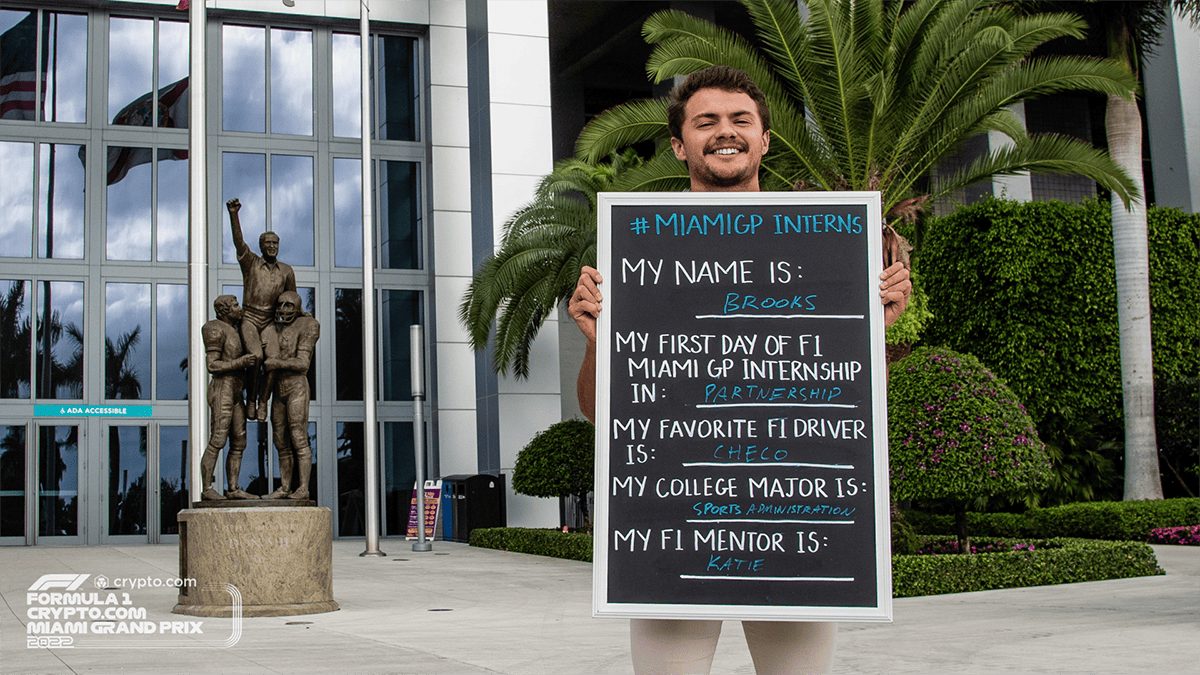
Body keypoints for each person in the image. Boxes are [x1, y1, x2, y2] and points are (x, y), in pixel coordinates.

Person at [567, 66, 912, 675]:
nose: (724, 133)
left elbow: (848, 407)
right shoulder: (640, 251)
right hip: (672, 534)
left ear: (765, 139)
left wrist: (868, 333)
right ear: (679, 145)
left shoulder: (824, 252)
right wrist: (599, 343)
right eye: (706, 122)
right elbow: (601, 413)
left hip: (791, 533)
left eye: (740, 121)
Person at [227, 197, 297, 421]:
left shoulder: (286, 271)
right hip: (250, 317)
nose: (271, 246)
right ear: (261, 247)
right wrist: (234, 215)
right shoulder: (251, 263)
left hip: (270, 322)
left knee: (273, 360)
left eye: (275, 243)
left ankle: (264, 400)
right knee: (255, 356)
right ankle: (251, 399)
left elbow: (292, 298)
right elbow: (239, 242)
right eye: (267, 243)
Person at [199, 295, 259, 501]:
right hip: (222, 386)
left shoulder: (237, 328)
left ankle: (233, 488)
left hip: (236, 389)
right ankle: (207, 488)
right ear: (223, 310)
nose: (238, 308)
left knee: (239, 441)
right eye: (234, 305)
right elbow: (212, 365)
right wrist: (239, 362)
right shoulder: (213, 328)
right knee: (217, 439)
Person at [261, 291, 320, 500]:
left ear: (297, 308)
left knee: (298, 437)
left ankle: (303, 487)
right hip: (278, 388)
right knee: (279, 440)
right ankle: (285, 487)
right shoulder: (272, 328)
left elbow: (303, 363)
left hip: (296, 386)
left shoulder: (308, 325)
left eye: (288, 306)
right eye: (280, 305)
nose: (283, 310)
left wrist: (277, 363)